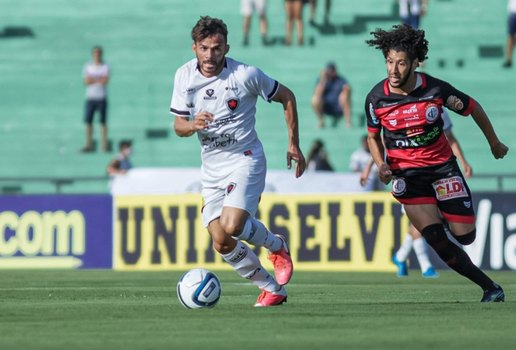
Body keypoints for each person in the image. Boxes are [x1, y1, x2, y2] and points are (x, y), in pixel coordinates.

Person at [364, 24, 508, 302]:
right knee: (436, 240)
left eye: (401, 63)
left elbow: (473, 107)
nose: (393, 70)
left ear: (415, 63)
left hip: (442, 169)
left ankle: (440, 211)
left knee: (465, 237)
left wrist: (494, 143)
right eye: (389, 62)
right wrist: (380, 163)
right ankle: (490, 288)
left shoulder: (436, 90)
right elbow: (372, 137)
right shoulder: (375, 98)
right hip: (407, 175)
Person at [170, 16, 306, 307]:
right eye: (204, 48)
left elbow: (287, 97)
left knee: (232, 224)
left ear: (226, 47)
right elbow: (178, 125)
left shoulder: (245, 75)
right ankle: (272, 289)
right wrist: (192, 125)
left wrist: (293, 143)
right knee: (220, 240)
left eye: (217, 48)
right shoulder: (183, 76)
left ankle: (276, 245)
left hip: (245, 159)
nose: (210, 55)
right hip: (212, 167)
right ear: (194, 48)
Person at [391, 109, 473, 278]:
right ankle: (425, 266)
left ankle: (400, 257)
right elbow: (383, 141)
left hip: (436, 174)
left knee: (425, 222)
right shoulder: (402, 111)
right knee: (422, 222)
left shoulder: (438, 110)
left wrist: (463, 162)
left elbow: (450, 138)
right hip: (410, 176)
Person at [82, 46, 110, 153]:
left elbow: (105, 80)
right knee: (89, 122)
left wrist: (93, 79)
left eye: (99, 53)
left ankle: (104, 145)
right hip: (91, 97)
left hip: (101, 97)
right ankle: (89, 144)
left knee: (103, 122)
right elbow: (86, 81)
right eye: (95, 53)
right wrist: (98, 79)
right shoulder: (88, 66)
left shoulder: (105, 66)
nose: (97, 55)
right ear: (93, 54)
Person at [311, 62, 352, 128]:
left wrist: (345, 90)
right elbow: (317, 93)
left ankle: (348, 122)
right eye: (329, 70)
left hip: (338, 106)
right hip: (325, 106)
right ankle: (321, 121)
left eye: (332, 70)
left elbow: (348, 88)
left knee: (344, 95)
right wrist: (323, 80)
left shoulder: (340, 79)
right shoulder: (321, 80)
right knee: (314, 100)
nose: (331, 72)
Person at [503, 0, 516, 68]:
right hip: (513, 12)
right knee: (511, 36)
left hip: (513, 13)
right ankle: (509, 59)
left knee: (511, 37)